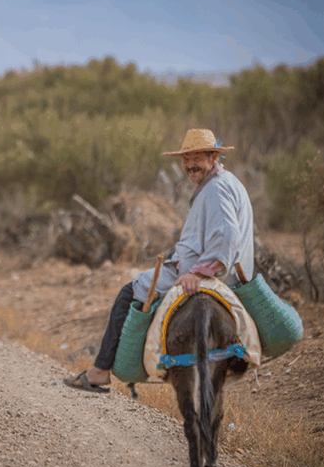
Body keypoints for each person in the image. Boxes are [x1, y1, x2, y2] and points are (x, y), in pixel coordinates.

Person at [64, 128, 254, 393]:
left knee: (128, 293)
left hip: (206, 275)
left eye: (196, 158)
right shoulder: (226, 182)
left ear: (213, 156)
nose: (189, 165)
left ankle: (100, 372)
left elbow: (227, 237)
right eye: (186, 159)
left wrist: (198, 274)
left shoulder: (217, 189)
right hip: (224, 274)